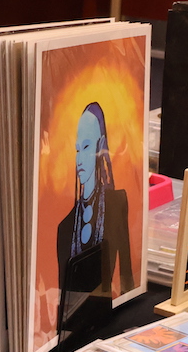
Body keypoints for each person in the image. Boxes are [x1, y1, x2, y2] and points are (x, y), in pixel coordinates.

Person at [56, 101, 134, 330]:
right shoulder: (64, 228)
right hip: (74, 329)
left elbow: (128, 279)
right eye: (77, 149)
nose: (80, 158)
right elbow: (64, 298)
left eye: (87, 147)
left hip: (110, 320)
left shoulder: (117, 202)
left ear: (101, 147)